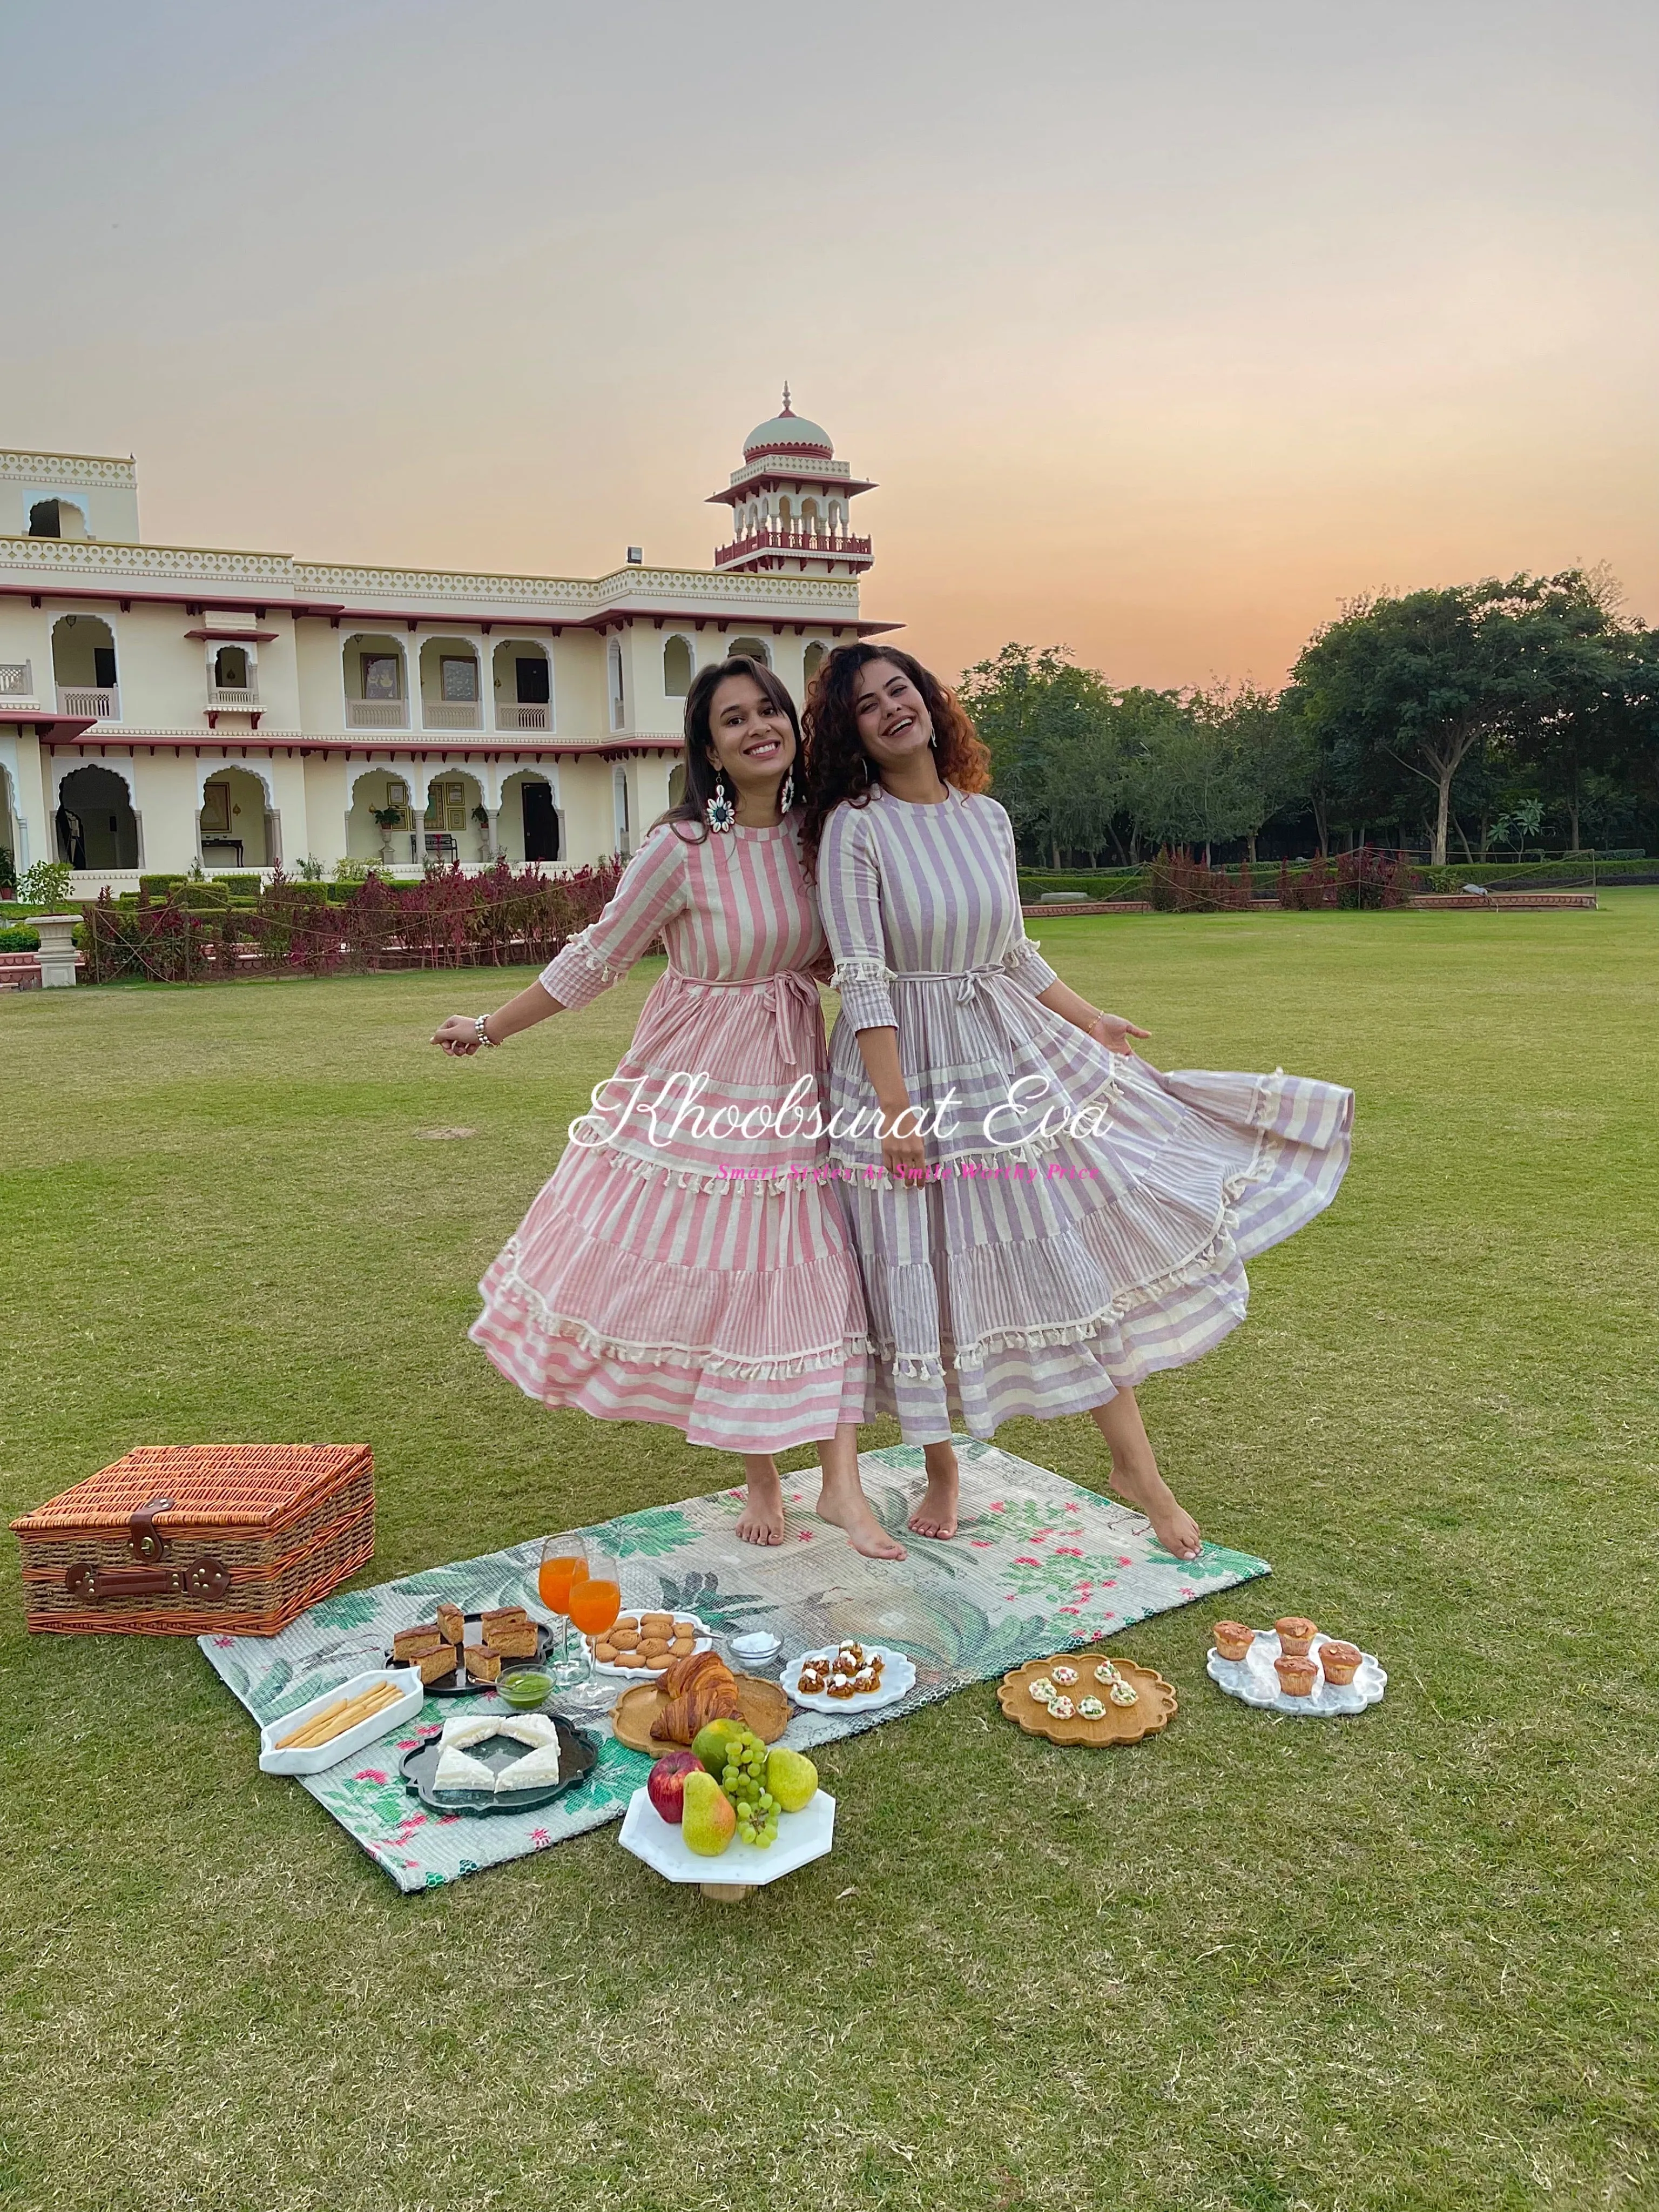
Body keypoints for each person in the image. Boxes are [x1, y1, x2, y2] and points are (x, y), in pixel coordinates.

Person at [800, 643, 1353, 1557]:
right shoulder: (857, 828)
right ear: (851, 734)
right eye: (868, 705)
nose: (892, 708)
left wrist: (1091, 1017)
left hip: (1001, 1054)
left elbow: (1014, 950)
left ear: (931, 701)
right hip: (898, 1066)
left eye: (901, 689)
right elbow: (861, 974)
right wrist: (894, 1111)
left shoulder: (987, 817)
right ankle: (941, 1465)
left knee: (1063, 1249)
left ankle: (1137, 1467)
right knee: (917, 1266)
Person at [433, 655, 903, 1559]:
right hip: (699, 1083)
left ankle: (841, 1480)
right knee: (733, 1268)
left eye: (770, 710)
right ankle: (763, 1469)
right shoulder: (681, 849)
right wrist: (491, 1027)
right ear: (711, 751)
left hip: (795, 1076)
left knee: (816, 1262)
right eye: (734, 720)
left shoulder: (823, 835)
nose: (759, 727)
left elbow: (837, 948)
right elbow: (598, 957)